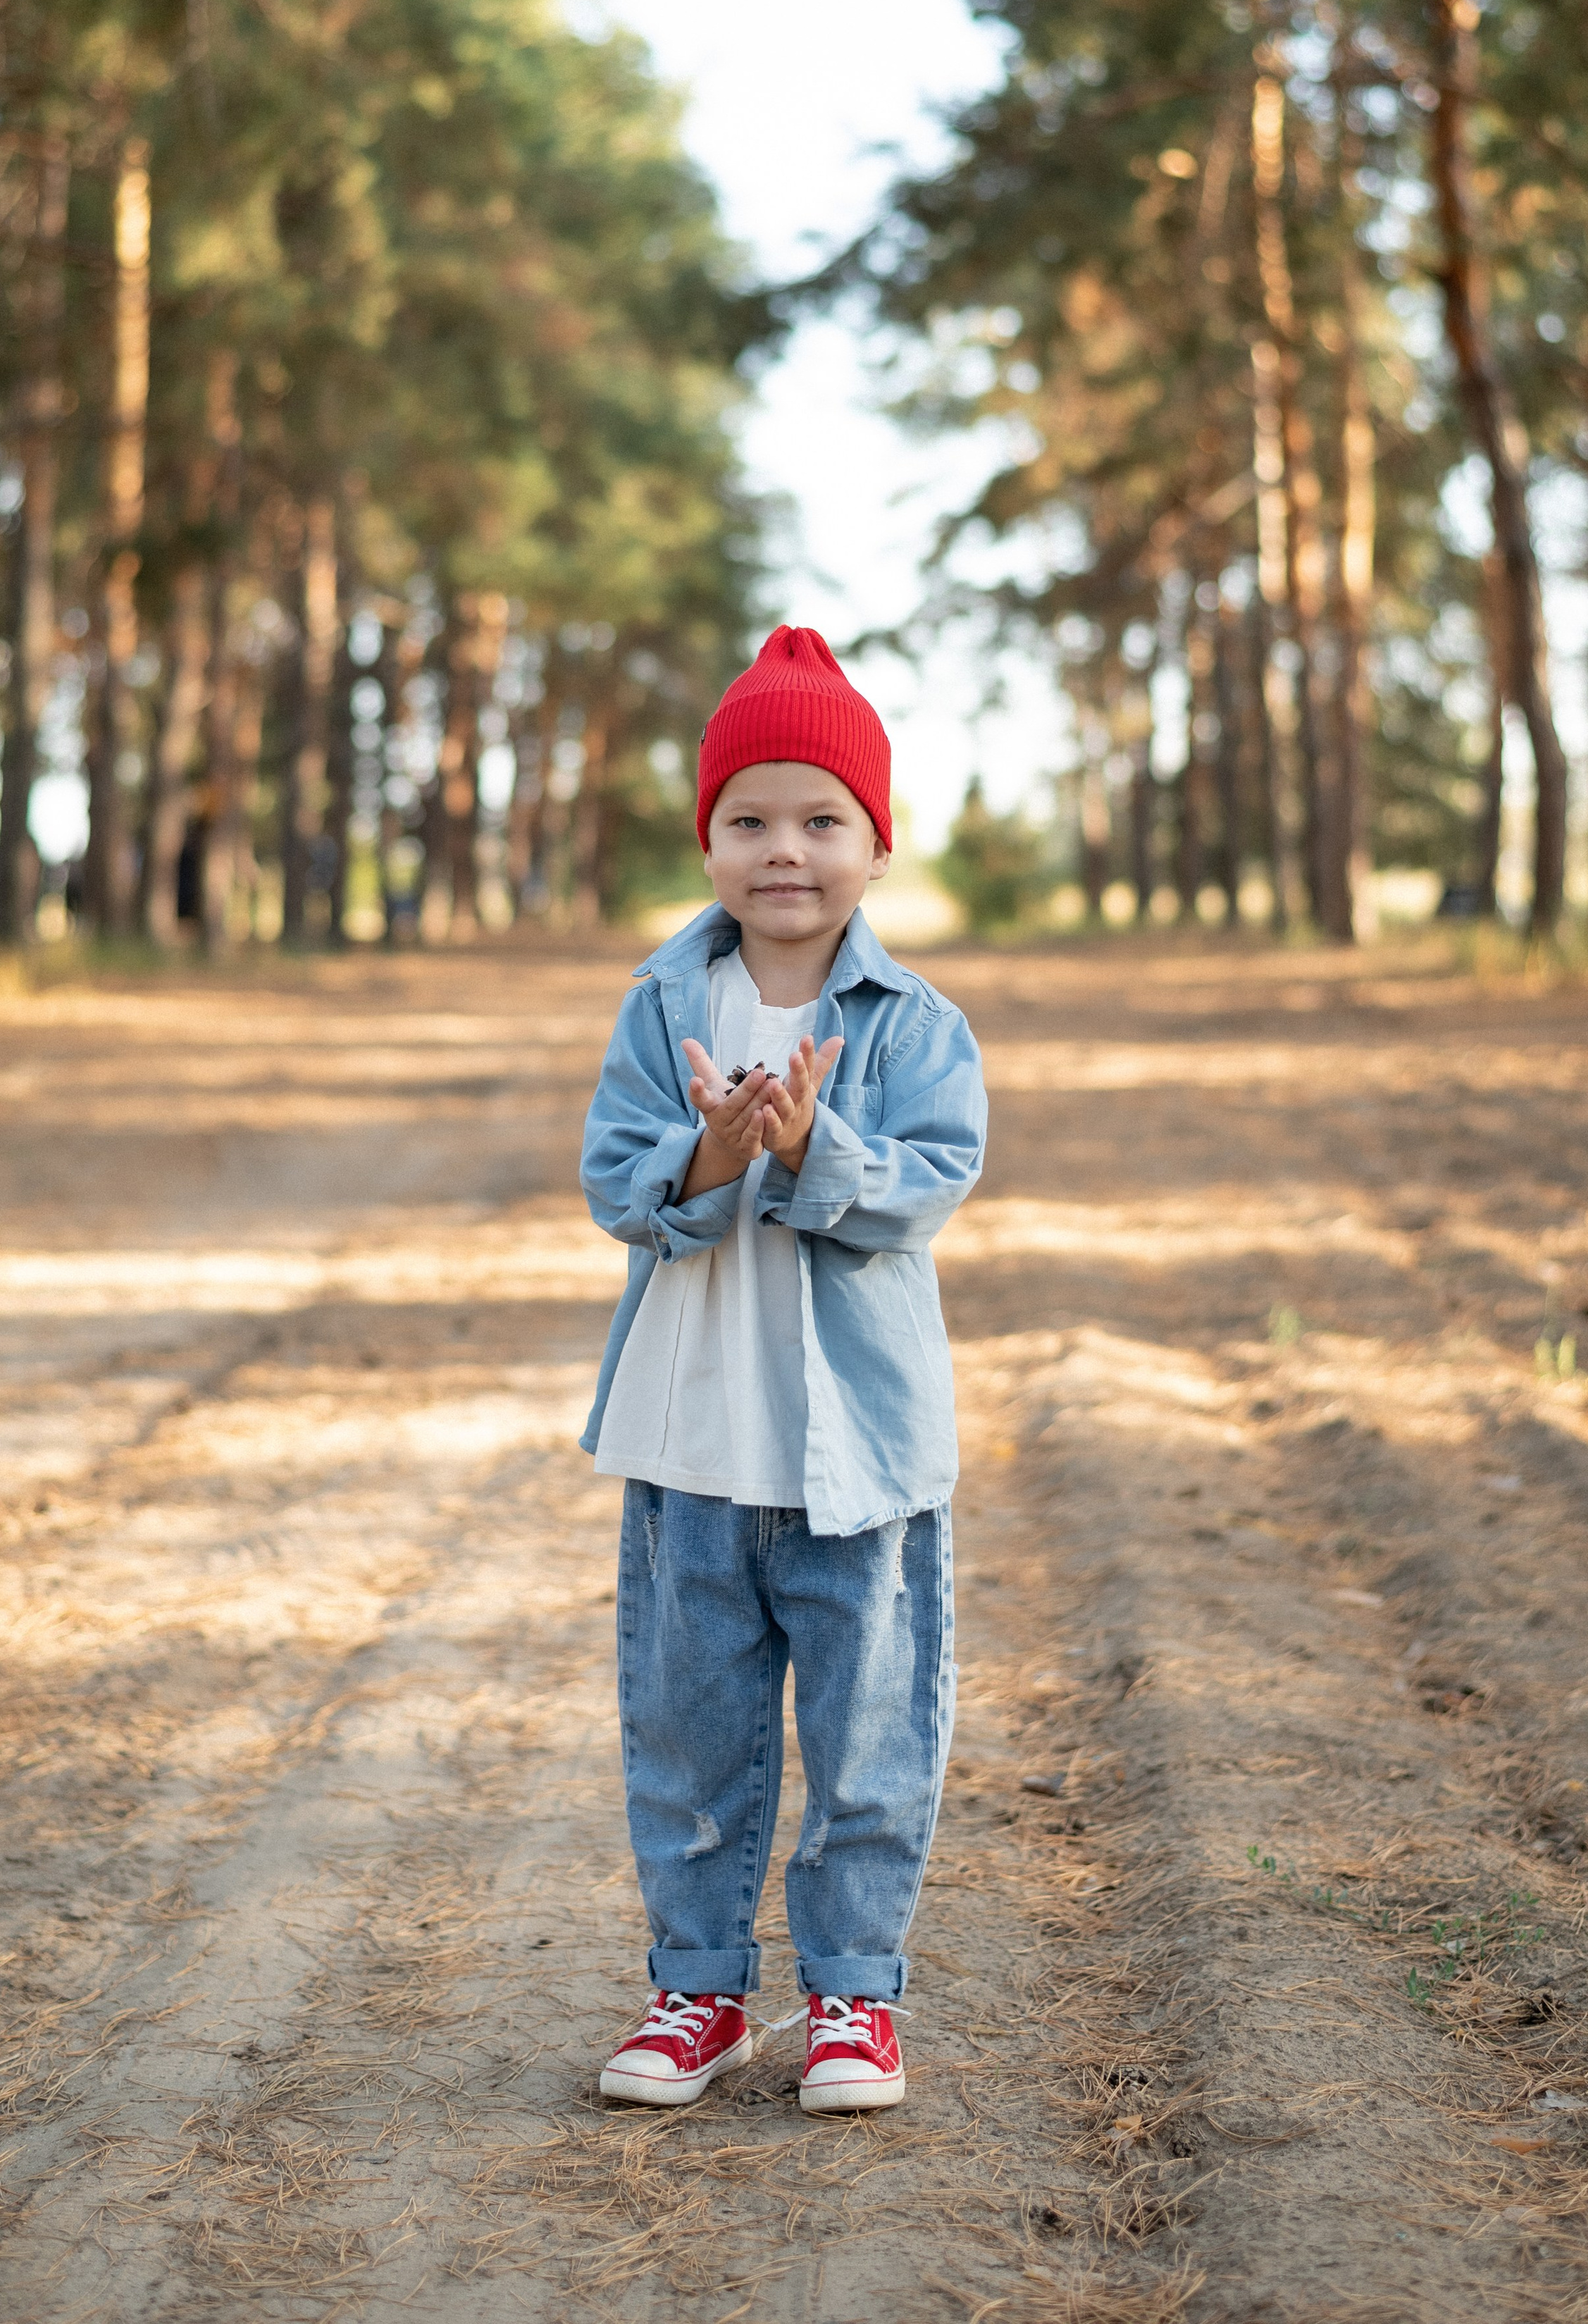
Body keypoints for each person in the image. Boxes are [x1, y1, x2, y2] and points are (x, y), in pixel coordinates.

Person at [579, 625, 987, 2115]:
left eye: (821, 820)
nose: (782, 851)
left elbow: (923, 1189)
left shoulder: (914, 1026)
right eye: (747, 819)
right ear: (708, 840)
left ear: (873, 844)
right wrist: (712, 1146)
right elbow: (619, 1183)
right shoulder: (662, 1008)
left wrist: (810, 1142)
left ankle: (852, 2000)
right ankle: (696, 1989)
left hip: (857, 1458)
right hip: (693, 1438)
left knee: (869, 1731)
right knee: (691, 1734)